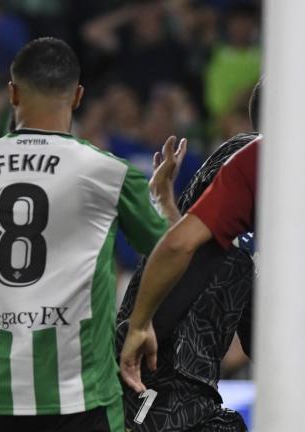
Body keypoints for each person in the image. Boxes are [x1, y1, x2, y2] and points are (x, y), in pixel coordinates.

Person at [0, 37, 185, 432]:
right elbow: (174, 249)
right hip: (81, 392)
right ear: (77, 97)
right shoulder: (107, 172)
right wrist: (140, 322)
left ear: (12, 93)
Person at [119, 82, 305, 431]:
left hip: (180, 391)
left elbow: (186, 248)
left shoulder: (253, 164)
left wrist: (137, 326)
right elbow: (205, 255)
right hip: (184, 391)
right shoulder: (259, 163)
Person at [115, 85, 260, 430]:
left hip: (185, 389)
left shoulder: (246, 253)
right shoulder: (247, 157)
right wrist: (140, 325)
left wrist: (167, 207)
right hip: (165, 385)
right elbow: (187, 249)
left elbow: (198, 245)